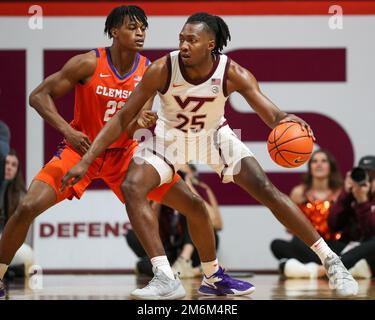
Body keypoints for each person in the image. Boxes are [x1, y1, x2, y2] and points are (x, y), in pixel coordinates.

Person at [62, 12, 358, 297]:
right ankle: (165, 276)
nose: (183, 46)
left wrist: (284, 119)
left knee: (266, 189)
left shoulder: (233, 73)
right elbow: (122, 117)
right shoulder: (163, 69)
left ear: (210, 45)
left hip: (214, 137)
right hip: (169, 139)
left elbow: (270, 112)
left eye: (191, 40)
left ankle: (332, 261)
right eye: (181, 39)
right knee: (132, 186)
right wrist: (86, 160)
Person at [283, 156, 375, 280]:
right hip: (348, 249)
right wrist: (347, 195)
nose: (367, 179)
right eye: (364, 174)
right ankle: (351, 269)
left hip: (369, 251)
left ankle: (320, 270)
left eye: (372, 174)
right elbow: (333, 224)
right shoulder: (351, 193)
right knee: (292, 243)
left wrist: (363, 202)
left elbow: (370, 233)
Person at [270, 149, 347, 277]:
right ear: (310, 167)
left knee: (347, 248)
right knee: (277, 245)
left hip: (333, 244)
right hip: (308, 245)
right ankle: (326, 269)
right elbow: (288, 225)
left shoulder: (341, 192)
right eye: (315, 161)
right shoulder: (299, 193)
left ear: (330, 166)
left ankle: (305, 269)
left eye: (323, 161)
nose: (319, 164)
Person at [0, 149, 34, 279]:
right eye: (6, 163)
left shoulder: (22, 198)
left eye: (13, 165)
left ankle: (9, 270)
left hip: (10, 246)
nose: (9, 167)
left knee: (28, 253)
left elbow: (23, 237)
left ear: (17, 170)